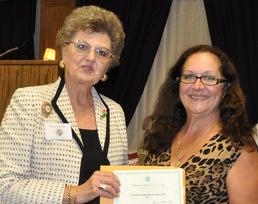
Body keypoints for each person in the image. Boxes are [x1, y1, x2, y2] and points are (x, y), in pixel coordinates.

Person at [0, 5, 128, 204]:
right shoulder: (28, 102)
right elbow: (4, 186)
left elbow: (119, 186)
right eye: (82, 46)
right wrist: (76, 193)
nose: (91, 57)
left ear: (108, 65)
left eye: (102, 52)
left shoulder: (115, 112)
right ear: (63, 49)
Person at [141, 45, 258, 203]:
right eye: (189, 76)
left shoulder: (240, 149)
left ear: (226, 88)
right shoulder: (162, 136)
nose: (197, 86)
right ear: (178, 83)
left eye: (209, 78)